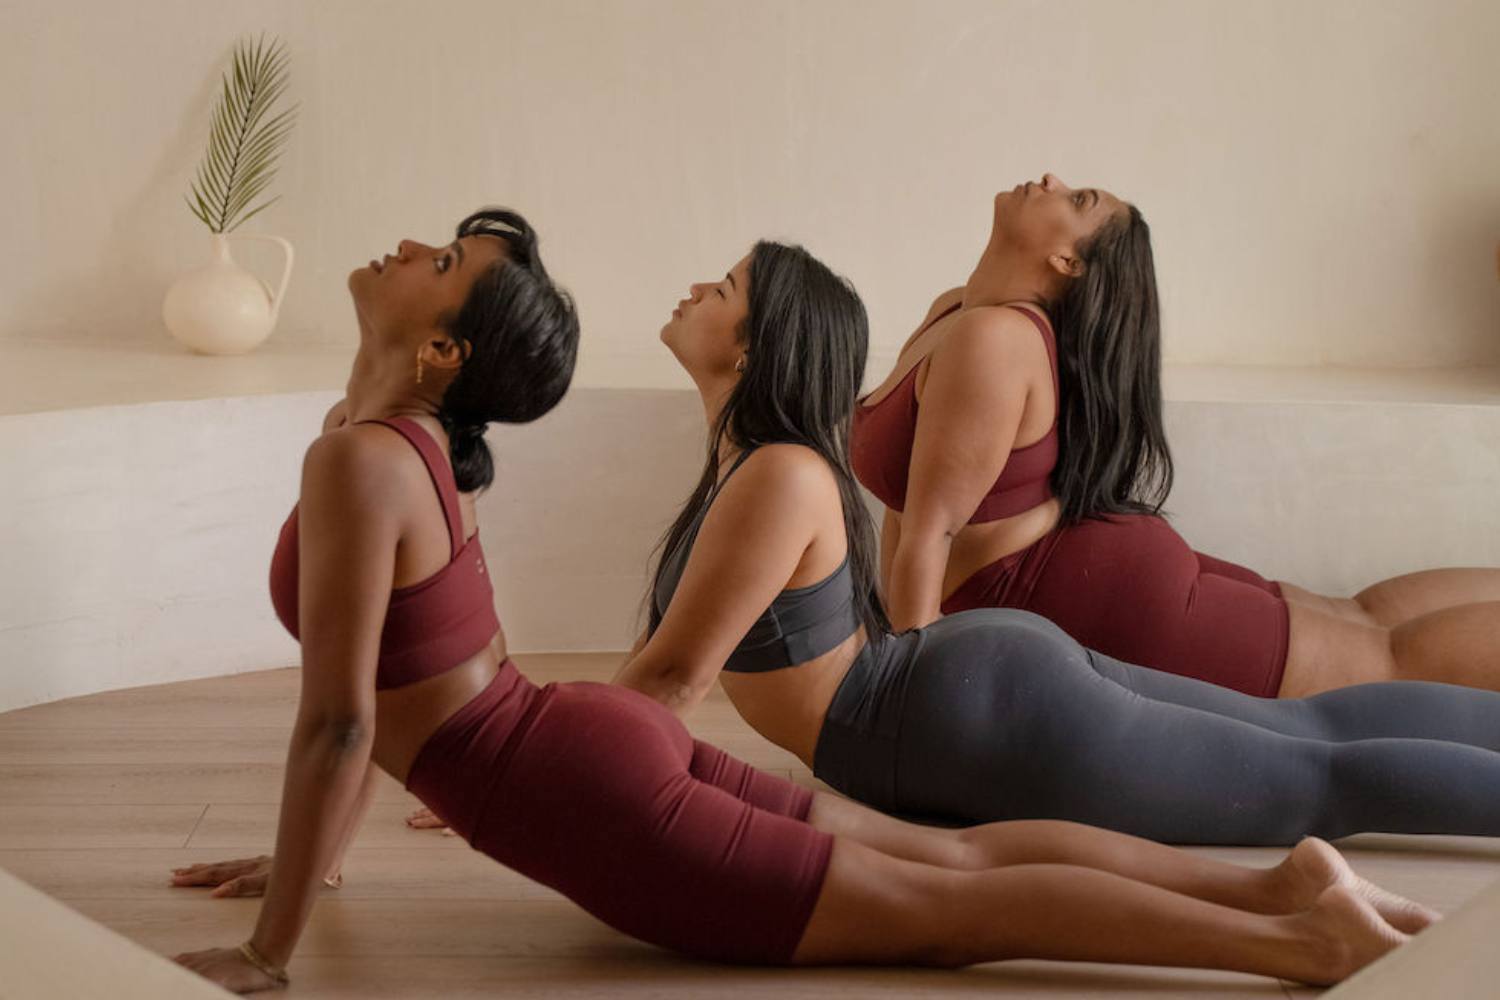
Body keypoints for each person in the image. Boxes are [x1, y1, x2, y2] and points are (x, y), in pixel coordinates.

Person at [170, 215, 1416, 992]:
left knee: (951, 912)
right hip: (585, 750)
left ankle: (1300, 943)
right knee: (959, 866)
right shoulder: (407, 448)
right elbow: (435, 679)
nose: (405, 248)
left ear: (444, 354)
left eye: (441, 260)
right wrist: (308, 859)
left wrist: (271, 951)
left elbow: (346, 722)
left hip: (588, 777)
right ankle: (1271, 888)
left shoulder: (368, 455)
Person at [850, 174, 1500, 698]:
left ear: (1067, 258)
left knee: (1384, 660)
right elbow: (913, 514)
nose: (1050, 178)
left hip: (1116, 597)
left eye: (1077, 199)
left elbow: (930, 531)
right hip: (1100, 571)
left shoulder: (993, 339)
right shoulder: (957, 310)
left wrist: (908, 690)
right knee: (1358, 616)